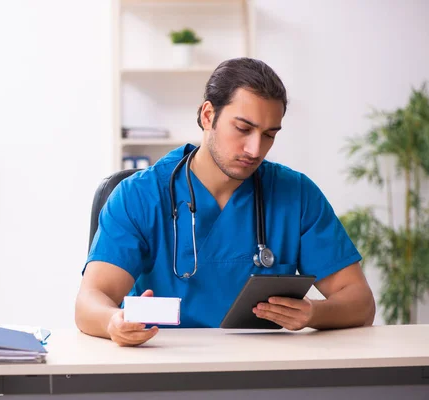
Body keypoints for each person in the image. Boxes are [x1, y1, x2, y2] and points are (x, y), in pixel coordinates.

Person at [75, 57, 376, 347]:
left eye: (269, 134)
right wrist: (114, 321)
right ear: (208, 116)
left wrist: (313, 313)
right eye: (243, 129)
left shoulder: (296, 195)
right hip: (163, 364)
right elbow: (90, 301)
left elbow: (359, 301)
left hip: (264, 370)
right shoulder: (139, 196)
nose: (256, 149)